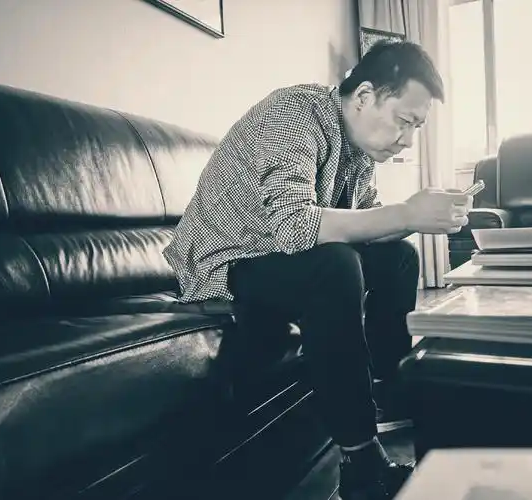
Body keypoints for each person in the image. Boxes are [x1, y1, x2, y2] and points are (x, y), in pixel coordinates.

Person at [164, 40, 471, 500]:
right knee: (336, 266)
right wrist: (406, 213)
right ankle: (362, 463)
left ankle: (390, 392)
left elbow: (367, 225)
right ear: (364, 96)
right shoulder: (294, 113)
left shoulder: (359, 152)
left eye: (416, 127)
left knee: (400, 256)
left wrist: (420, 217)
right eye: (404, 121)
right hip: (222, 263)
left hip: (280, 258)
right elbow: (295, 226)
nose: (407, 140)